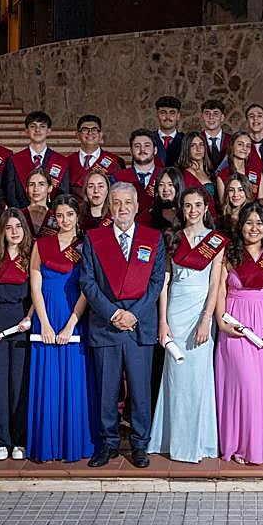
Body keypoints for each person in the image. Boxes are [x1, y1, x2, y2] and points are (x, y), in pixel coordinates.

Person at [79, 183, 167, 469]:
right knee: (107, 390)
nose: (122, 208)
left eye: (128, 202)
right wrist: (113, 314)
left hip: (139, 326)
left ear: (137, 205)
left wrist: (134, 315)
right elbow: (88, 283)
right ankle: (108, 443)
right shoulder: (95, 239)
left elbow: (156, 283)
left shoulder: (153, 239)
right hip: (107, 325)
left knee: (141, 391)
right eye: (116, 203)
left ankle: (140, 444)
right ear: (110, 206)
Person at [149, 187, 224, 463]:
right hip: (175, 314)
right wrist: (163, 321)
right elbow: (165, 282)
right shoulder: (173, 238)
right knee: (175, 379)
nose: (192, 211)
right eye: (188, 206)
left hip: (199, 315)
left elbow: (215, 284)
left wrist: (206, 319)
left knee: (197, 379)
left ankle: (198, 442)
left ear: (206, 208)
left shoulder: (216, 241)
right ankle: (171, 440)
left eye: (197, 205)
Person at [27, 194, 96, 462]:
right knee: (48, 381)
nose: (64, 220)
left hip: (74, 317)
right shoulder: (41, 245)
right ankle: (47, 445)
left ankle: (72, 444)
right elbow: (36, 285)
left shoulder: (85, 245)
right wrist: (44, 322)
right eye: (60, 215)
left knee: (73, 381)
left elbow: (87, 289)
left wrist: (70, 326)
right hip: (46, 316)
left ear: (78, 216)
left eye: (69, 214)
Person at [214, 202, 263, 465]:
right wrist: (221, 321)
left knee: (262, 387)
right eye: (248, 223)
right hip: (235, 322)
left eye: (258, 223)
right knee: (244, 385)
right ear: (240, 225)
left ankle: (257, 446)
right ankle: (238, 444)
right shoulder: (229, 254)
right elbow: (220, 290)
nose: (253, 228)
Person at [0, 208, 35, 461]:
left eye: (18, 227)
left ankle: (19, 440)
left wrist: (29, 318)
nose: (14, 232)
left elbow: (38, 294)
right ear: (2, 231)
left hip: (22, 327)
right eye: (9, 227)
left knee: (19, 385)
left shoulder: (31, 256)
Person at [5, 111, 69, 209]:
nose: (37, 130)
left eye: (42, 126)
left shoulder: (61, 161)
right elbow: (10, 195)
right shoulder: (14, 160)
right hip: (21, 217)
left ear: (49, 131)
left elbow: (63, 194)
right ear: (26, 131)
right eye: (33, 126)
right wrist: (22, 216)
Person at [66, 114, 124, 199]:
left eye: (94, 130)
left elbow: (119, 194)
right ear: (77, 135)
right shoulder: (67, 162)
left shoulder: (116, 162)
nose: (90, 133)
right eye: (85, 130)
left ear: (100, 135)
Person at [114, 129, 163, 224]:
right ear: (131, 151)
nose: (142, 150)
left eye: (147, 145)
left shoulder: (166, 176)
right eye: (137, 146)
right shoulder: (118, 178)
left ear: (155, 150)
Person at [217, 131, 263, 202]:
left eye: (248, 146)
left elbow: (262, 199)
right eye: (240, 144)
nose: (244, 148)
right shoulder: (222, 176)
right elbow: (224, 205)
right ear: (232, 146)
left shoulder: (257, 172)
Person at [176, 132, 217, 207]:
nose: (198, 149)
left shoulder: (209, 171)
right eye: (193, 145)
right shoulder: (187, 173)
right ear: (186, 148)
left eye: (201, 144)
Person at [20, 167, 60, 239]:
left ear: (50, 188)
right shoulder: (19, 215)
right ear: (26, 189)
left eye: (41, 184)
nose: (36, 189)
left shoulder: (56, 218)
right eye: (32, 184)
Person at [151, 95, 185, 167]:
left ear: (178, 116)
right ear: (157, 114)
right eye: (163, 112)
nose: (167, 117)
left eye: (172, 113)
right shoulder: (148, 139)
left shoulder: (185, 140)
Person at [243, 103, 263, 169]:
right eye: (251, 116)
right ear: (247, 123)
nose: (255, 118)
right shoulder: (239, 147)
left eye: (259, 116)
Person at [200, 98, 229, 168]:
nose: (211, 117)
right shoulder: (195, 140)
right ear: (202, 117)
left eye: (215, 113)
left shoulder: (232, 140)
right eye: (207, 113)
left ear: (222, 117)